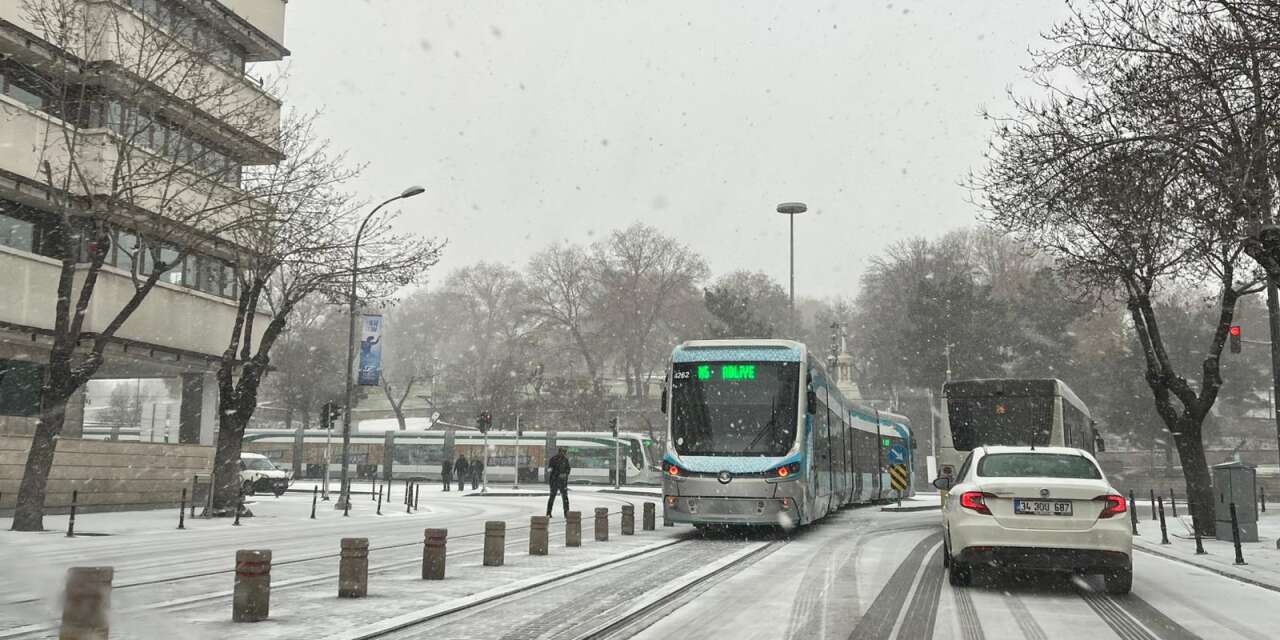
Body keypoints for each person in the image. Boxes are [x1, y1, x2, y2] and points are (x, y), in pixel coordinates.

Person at [546, 447, 571, 517]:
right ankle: (548, 512)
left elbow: (568, 469)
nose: (564, 454)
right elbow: (550, 469)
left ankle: (566, 513)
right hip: (554, 481)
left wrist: (565, 474)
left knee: (565, 498)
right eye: (563, 452)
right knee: (552, 497)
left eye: (564, 452)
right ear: (559, 452)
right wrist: (557, 474)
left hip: (563, 482)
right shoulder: (553, 459)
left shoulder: (565, 460)